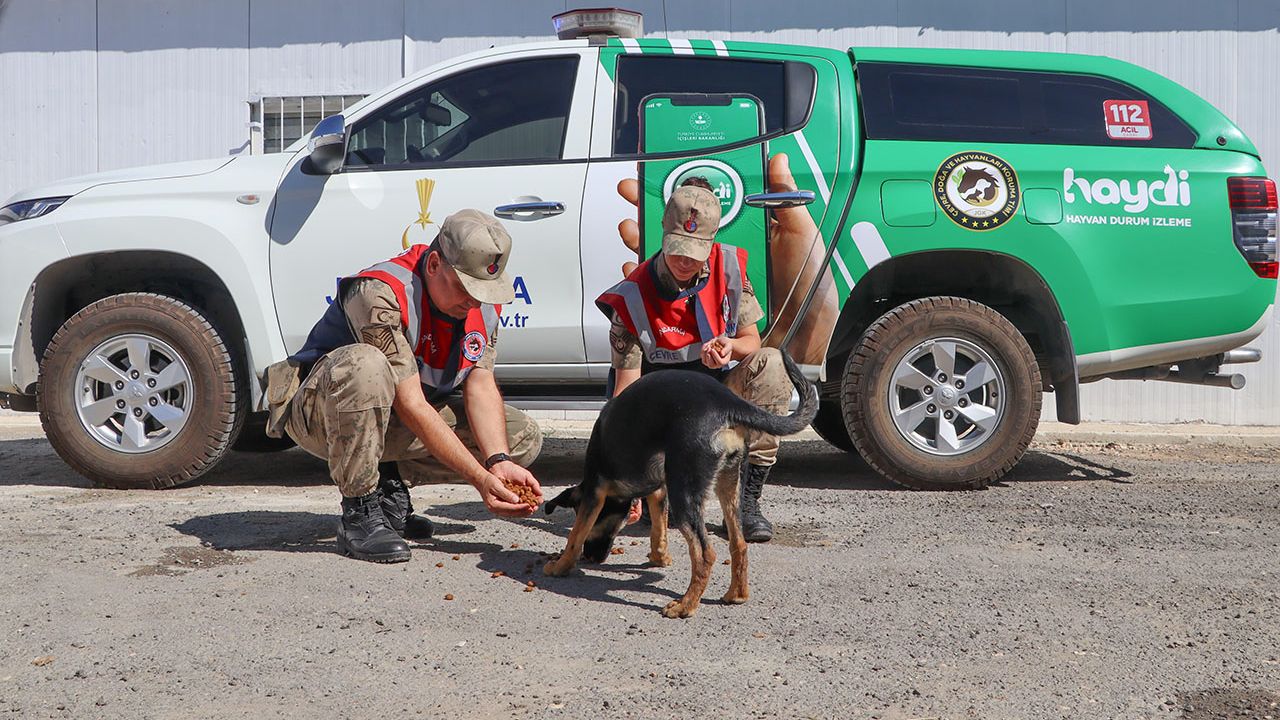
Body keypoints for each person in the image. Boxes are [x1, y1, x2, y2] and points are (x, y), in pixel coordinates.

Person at [264, 209, 544, 563]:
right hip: (319, 414)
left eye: (482, 290)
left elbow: (481, 386)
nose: (474, 301)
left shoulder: (480, 306)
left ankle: (386, 482)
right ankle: (359, 511)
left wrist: (498, 462)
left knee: (521, 436)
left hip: (392, 416)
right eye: (465, 287)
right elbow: (410, 401)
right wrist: (480, 480)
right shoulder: (378, 293)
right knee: (366, 364)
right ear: (434, 265)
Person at [595, 179, 790, 542]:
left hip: (717, 389)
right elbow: (625, 394)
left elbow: (752, 340)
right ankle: (655, 493)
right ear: (664, 235)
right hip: (664, 407)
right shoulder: (632, 298)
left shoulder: (730, 268)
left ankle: (748, 500)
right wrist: (625, 477)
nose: (685, 261)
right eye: (677, 249)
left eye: (696, 251)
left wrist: (730, 347)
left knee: (771, 363)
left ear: (712, 242)